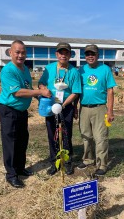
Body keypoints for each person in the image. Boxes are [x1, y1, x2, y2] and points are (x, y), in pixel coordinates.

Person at [0, 40, 51, 188]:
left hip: (21, 112)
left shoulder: (25, 69)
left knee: (22, 140)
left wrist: (38, 97)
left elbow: (28, 87)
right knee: (10, 142)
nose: (20, 55)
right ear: (10, 53)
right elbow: (18, 92)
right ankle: (11, 174)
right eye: (17, 52)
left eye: (23, 52)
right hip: (9, 111)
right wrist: (40, 91)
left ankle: (20, 168)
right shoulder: (8, 70)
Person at [38, 42, 81, 176]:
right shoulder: (49, 68)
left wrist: (62, 106)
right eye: (61, 53)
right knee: (52, 134)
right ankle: (54, 162)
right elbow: (41, 83)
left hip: (65, 106)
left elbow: (75, 92)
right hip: (51, 105)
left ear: (70, 55)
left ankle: (67, 162)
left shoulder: (74, 71)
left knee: (66, 135)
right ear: (57, 54)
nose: (63, 55)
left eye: (66, 53)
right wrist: (43, 90)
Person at [76, 44, 117, 176]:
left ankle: (102, 164)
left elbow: (110, 91)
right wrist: (76, 108)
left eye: (93, 54)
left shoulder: (105, 69)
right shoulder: (80, 70)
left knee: (100, 138)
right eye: (88, 54)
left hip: (99, 109)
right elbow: (77, 91)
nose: (90, 56)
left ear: (98, 55)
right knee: (86, 136)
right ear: (85, 56)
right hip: (84, 108)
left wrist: (110, 111)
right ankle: (88, 159)